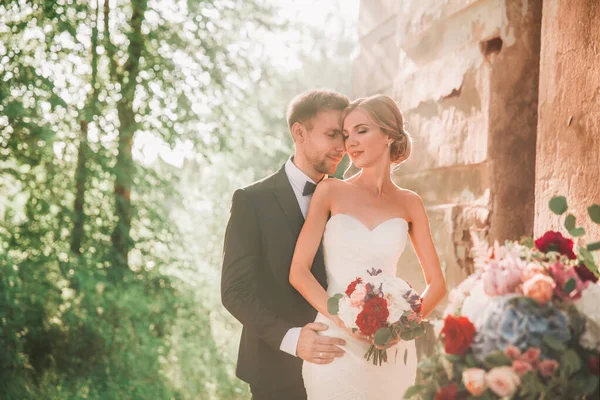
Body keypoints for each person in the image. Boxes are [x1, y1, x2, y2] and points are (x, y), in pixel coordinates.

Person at [289, 94, 447, 398]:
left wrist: (399, 327)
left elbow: (437, 284)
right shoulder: (330, 190)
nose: (351, 143)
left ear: (388, 135)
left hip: (391, 352)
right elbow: (298, 272)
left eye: (361, 131)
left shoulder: (410, 203)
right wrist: (345, 323)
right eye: (347, 135)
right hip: (335, 344)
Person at [221, 89, 351, 399]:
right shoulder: (251, 201)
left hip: (344, 364)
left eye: (344, 137)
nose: (341, 147)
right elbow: (234, 292)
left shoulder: (350, 201)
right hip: (275, 371)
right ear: (299, 132)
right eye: (332, 134)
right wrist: (292, 339)